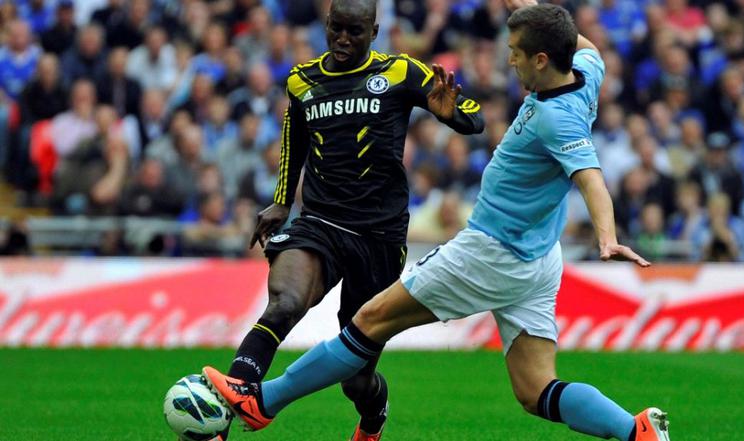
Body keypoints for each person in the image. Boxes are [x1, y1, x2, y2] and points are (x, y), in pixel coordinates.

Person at [204, 2, 672, 441]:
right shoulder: (585, 71)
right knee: (535, 389)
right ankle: (637, 431)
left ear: (543, 59)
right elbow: (580, 45)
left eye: (516, 54)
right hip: (539, 256)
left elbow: (591, 179)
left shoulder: (558, 119)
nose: (510, 62)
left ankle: (263, 401)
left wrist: (607, 237)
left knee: (370, 320)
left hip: (492, 251)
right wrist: (527, 10)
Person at [203, 0, 484, 440]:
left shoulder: (402, 72)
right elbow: (293, 142)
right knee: (286, 302)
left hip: (380, 237)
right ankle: (233, 399)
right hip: (320, 222)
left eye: (354, 31)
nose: (343, 40)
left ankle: (373, 416)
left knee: (356, 380)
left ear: (374, 30)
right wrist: (281, 202)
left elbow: (475, 117)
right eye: (336, 29)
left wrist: (455, 116)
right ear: (326, 24)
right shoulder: (302, 80)